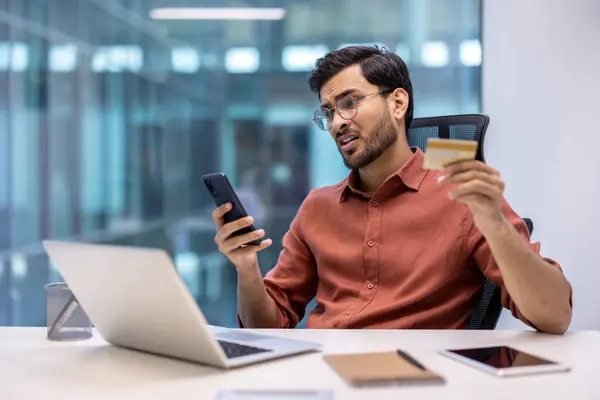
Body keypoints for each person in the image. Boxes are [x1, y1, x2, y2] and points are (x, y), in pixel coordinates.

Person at [212, 45, 572, 334]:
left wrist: (494, 226)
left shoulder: (462, 197)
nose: (338, 122)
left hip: (415, 381)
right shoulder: (317, 208)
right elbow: (266, 329)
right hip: (324, 376)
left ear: (398, 103)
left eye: (350, 103)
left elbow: (554, 316)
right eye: (328, 112)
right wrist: (246, 268)